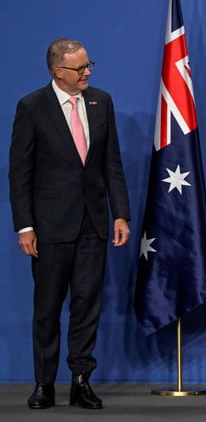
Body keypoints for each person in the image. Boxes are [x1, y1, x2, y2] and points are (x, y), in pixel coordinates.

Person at [9, 39, 131, 410]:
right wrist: (25, 226)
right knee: (47, 308)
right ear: (58, 72)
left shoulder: (101, 101)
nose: (88, 73)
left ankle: (81, 381)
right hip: (49, 228)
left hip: (93, 225)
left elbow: (112, 163)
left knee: (86, 306)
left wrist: (120, 213)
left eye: (88, 65)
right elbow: (20, 173)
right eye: (80, 68)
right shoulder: (32, 107)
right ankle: (44, 384)